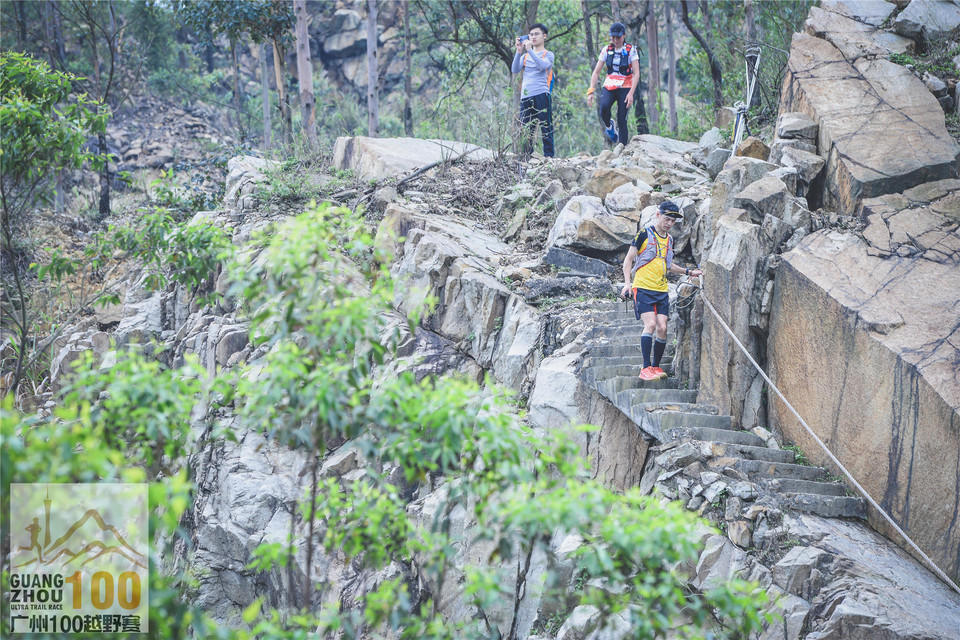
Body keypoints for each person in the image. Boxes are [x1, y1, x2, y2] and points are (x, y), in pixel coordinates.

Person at [620, 200, 703, 381]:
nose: (670, 224)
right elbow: (628, 259)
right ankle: (645, 368)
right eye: (667, 219)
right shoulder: (644, 234)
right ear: (658, 215)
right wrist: (627, 283)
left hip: (661, 289)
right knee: (650, 325)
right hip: (642, 287)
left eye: (673, 221)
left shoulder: (669, 240)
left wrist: (688, 272)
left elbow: (667, 265)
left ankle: (656, 368)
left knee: (663, 328)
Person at [586, 22, 641, 145]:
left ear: (624, 36)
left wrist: (631, 93)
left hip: (626, 86)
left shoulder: (631, 50)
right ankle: (609, 125)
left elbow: (636, 73)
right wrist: (591, 90)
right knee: (603, 108)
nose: (616, 40)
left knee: (622, 118)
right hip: (610, 85)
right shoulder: (606, 50)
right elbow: (596, 71)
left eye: (618, 37)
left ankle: (622, 148)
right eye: (613, 37)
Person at [511, 23, 555, 157]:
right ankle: (527, 155)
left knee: (546, 126)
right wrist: (519, 52)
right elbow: (514, 69)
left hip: (541, 94)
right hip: (526, 96)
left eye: (537, 34)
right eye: (531, 34)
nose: (533, 37)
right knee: (526, 128)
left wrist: (529, 50)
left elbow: (543, 66)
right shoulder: (525, 56)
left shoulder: (548, 54)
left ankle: (549, 156)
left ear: (544, 36)